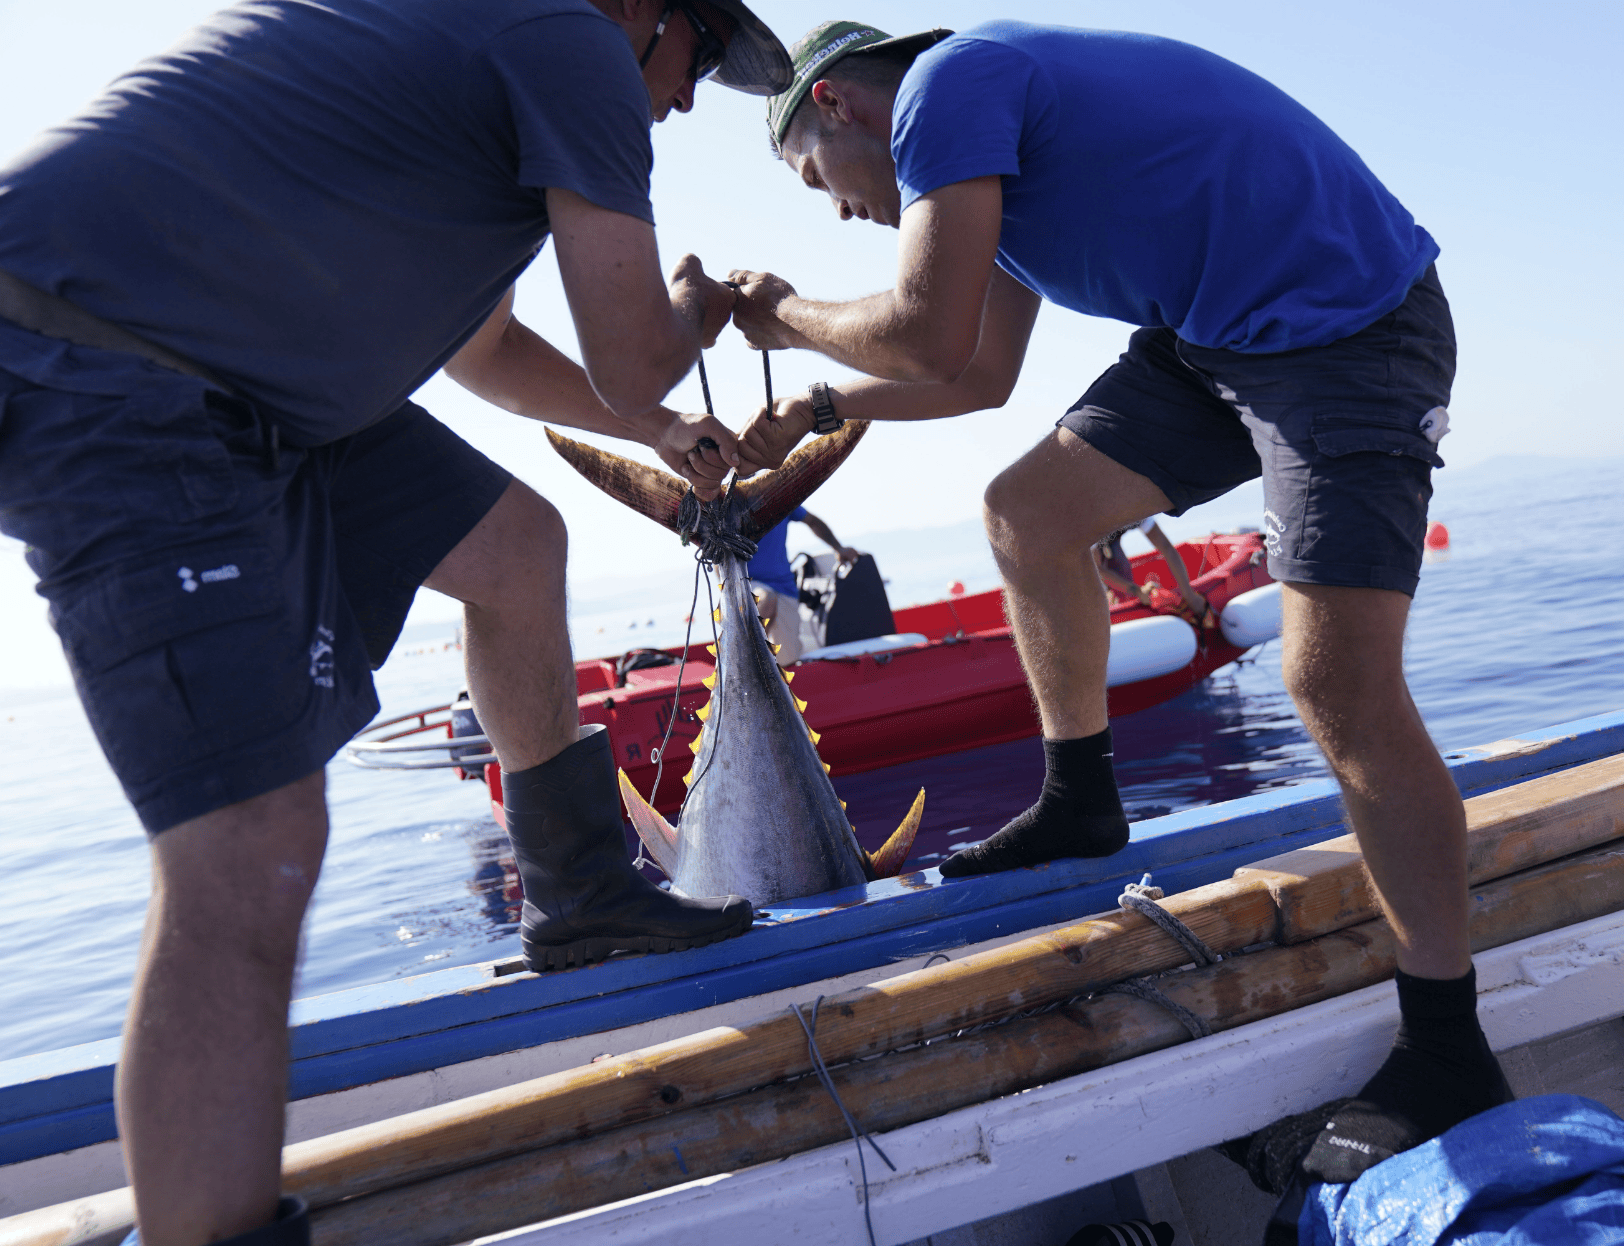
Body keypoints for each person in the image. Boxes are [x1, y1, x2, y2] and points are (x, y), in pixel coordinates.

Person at [0, 1, 792, 1242]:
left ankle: (580, 892)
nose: (688, 100)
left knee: (516, 546)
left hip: (246, 365)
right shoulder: (573, 37)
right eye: (699, 57)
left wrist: (645, 425)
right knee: (251, 846)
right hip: (103, 354)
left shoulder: (471, 48)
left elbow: (481, 353)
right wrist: (699, 311)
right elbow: (639, 347)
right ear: (645, 10)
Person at [712, 17, 1503, 1191]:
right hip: (1212, 343)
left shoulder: (949, 84)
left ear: (834, 105)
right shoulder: (993, 176)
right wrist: (824, 408)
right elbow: (977, 377)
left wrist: (783, 316)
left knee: (1332, 681)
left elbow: (925, 332)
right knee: (1026, 510)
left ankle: (1448, 1043)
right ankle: (1081, 798)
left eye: (817, 184)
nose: (836, 212)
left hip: (1349, 331)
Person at [746, 507, 859, 665]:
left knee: (788, 662)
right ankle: (746, 660)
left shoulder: (780, 495)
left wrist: (839, 548)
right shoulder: (731, 500)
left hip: (785, 588)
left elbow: (812, 521)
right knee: (766, 598)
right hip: (747, 583)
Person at [1093, 517, 1212, 624]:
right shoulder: (1094, 520)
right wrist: (1137, 590)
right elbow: (1096, 569)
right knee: (1109, 569)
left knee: (1118, 560)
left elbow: (1166, 548)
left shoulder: (1139, 508)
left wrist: (1189, 594)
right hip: (1086, 542)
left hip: (1108, 539)